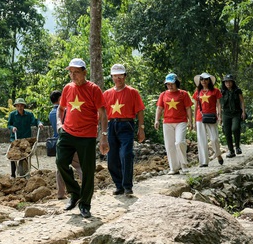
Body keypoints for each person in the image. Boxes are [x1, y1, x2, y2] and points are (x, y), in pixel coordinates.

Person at [57, 58, 106, 218]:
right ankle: (75, 193)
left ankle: (85, 204)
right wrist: (59, 124)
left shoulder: (94, 89)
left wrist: (103, 136)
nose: (73, 75)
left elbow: (103, 113)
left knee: (88, 170)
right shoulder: (67, 88)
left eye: (76, 72)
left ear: (84, 72)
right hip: (67, 132)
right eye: (71, 72)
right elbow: (61, 108)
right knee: (61, 162)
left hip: (87, 136)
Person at [100, 63, 145, 197]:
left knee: (126, 154)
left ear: (125, 76)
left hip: (127, 125)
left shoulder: (133, 92)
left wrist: (141, 128)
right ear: (112, 77)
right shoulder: (107, 94)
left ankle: (127, 186)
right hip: (111, 125)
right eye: (115, 76)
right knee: (111, 157)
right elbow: (102, 113)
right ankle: (118, 185)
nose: (118, 78)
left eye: (120, 75)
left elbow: (140, 111)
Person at [154, 73, 193, 175]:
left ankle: (184, 165)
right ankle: (174, 168)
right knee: (169, 145)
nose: (170, 86)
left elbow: (188, 108)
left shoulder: (183, 94)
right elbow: (159, 108)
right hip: (167, 122)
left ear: (176, 83)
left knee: (179, 142)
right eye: (168, 84)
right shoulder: (163, 94)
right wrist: (156, 120)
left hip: (181, 121)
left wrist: (191, 121)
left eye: (172, 84)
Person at [49, 89, 81, 199]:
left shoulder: (51, 113)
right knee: (78, 165)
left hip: (58, 142)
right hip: (69, 141)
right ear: (60, 99)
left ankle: (60, 193)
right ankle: (87, 190)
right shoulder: (65, 111)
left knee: (60, 168)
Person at [193, 72, 224, 167]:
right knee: (201, 139)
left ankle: (218, 153)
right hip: (200, 117)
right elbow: (195, 106)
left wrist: (219, 116)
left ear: (209, 80)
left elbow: (218, 104)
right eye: (201, 79)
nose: (203, 81)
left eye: (206, 79)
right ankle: (204, 161)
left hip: (211, 116)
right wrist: (194, 121)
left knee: (214, 138)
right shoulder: (197, 92)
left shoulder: (215, 91)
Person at [7, 98, 43, 178]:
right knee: (13, 155)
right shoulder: (12, 115)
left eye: (21, 105)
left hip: (26, 139)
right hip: (15, 139)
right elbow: (9, 125)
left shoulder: (29, 115)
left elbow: (35, 121)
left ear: (24, 106)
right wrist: (12, 128)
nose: (20, 107)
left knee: (25, 155)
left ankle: (26, 173)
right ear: (16, 106)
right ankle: (13, 174)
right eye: (18, 106)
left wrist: (39, 123)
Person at [221, 74, 247, 157]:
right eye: (226, 82)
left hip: (236, 113)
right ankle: (231, 151)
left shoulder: (237, 90)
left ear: (232, 82)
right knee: (227, 132)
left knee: (235, 128)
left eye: (229, 81)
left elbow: (242, 101)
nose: (228, 83)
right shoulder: (222, 91)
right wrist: (219, 114)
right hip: (226, 113)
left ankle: (237, 147)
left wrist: (243, 112)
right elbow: (218, 103)